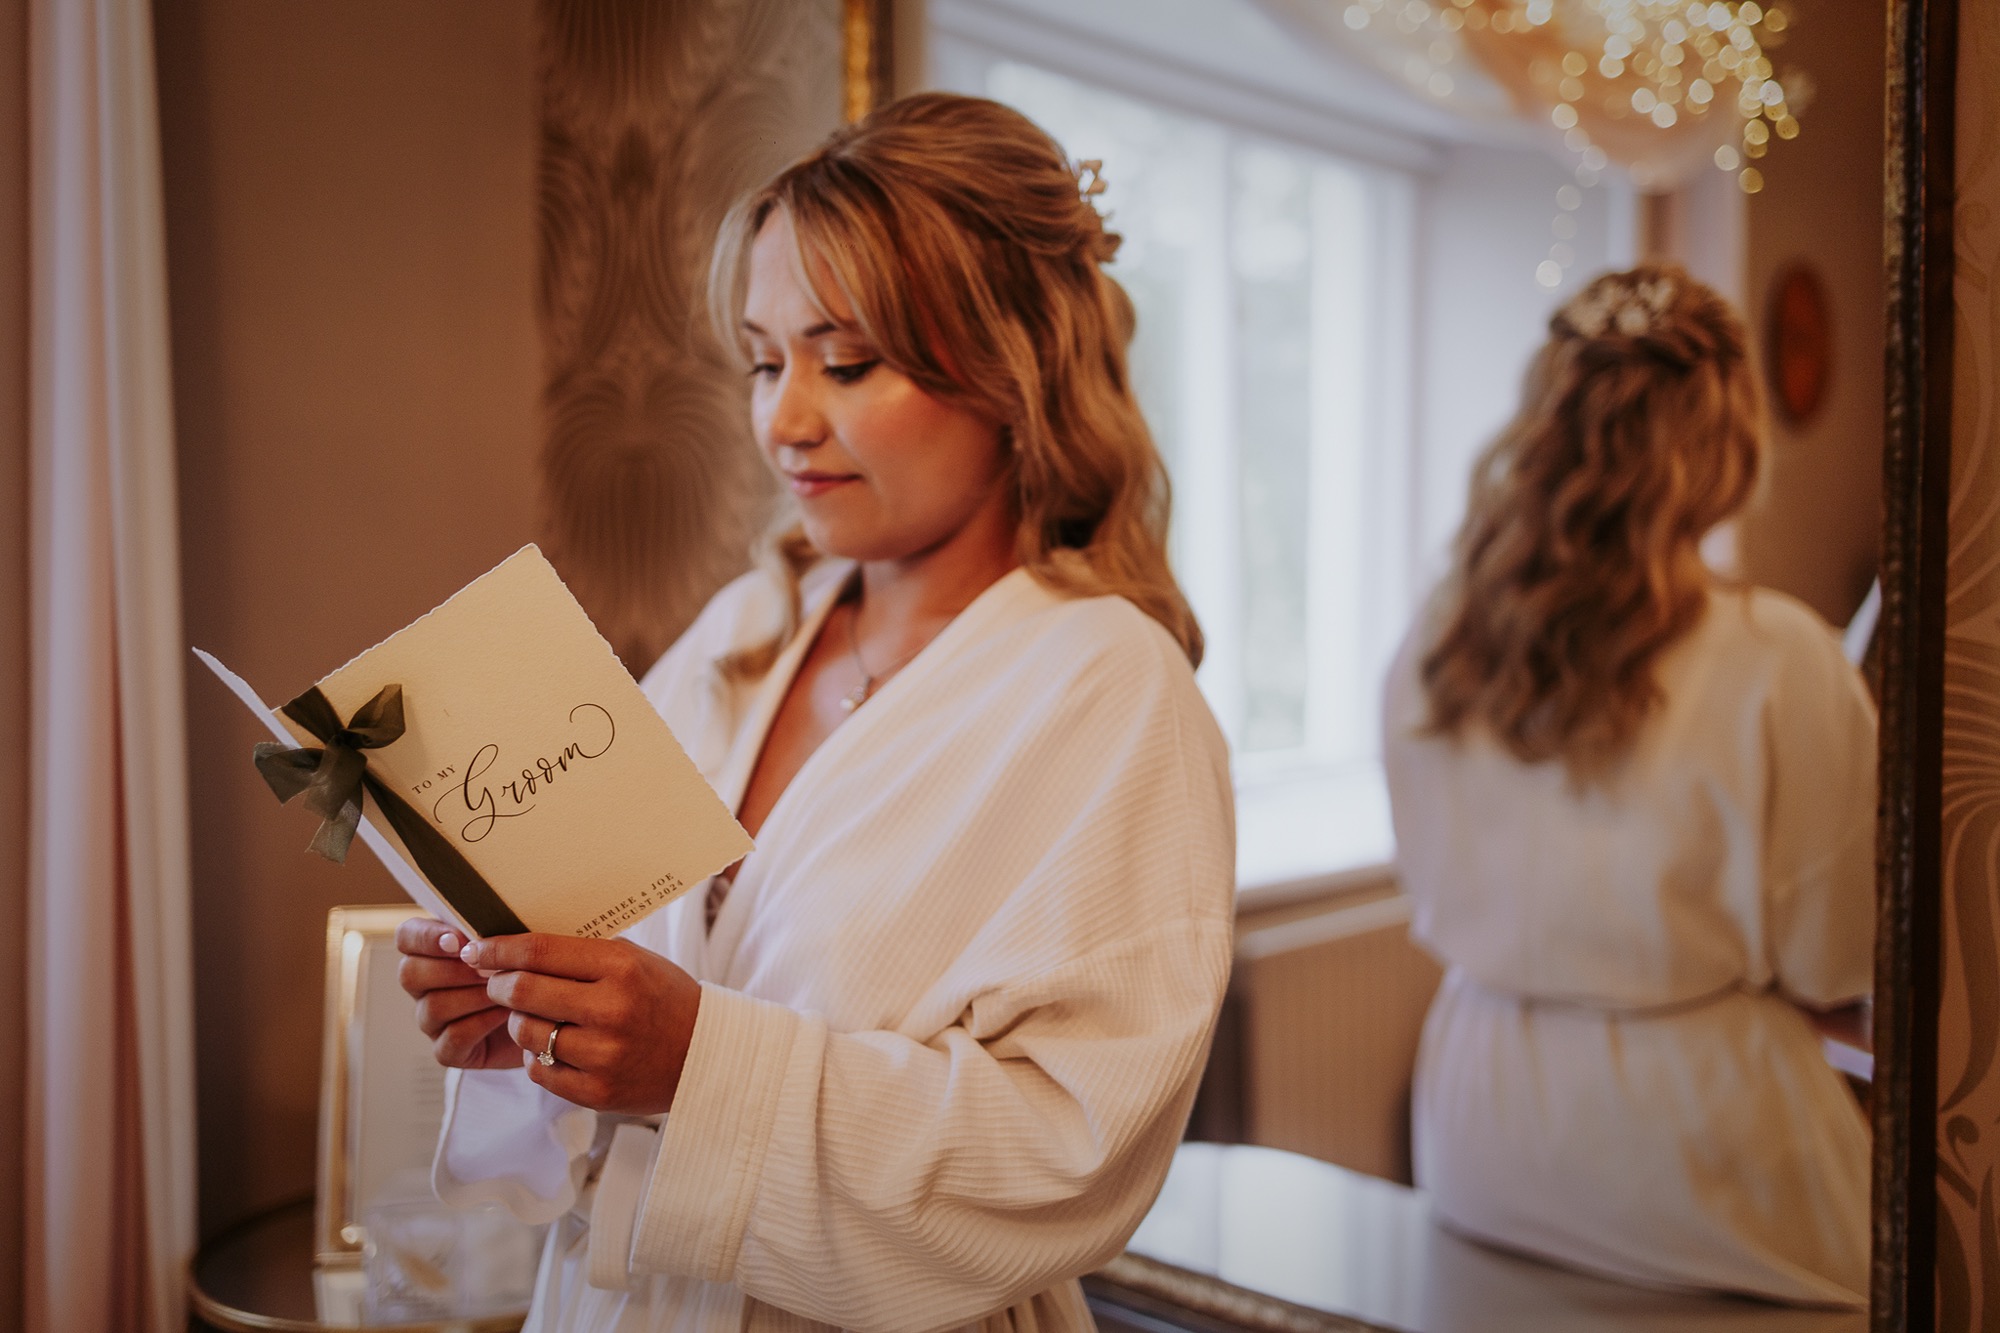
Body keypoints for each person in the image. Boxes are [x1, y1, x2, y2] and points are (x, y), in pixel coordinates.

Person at [395, 93, 1235, 1332]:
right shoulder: (743, 633)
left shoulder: (1105, 692)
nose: (783, 421)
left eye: (846, 362)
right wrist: (531, 1013)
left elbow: (1071, 1149)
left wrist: (701, 1064)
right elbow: (634, 999)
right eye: (761, 359)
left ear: (1011, 369)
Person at [1382, 264, 1875, 1307]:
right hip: (1696, 1135)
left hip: (1483, 1112)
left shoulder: (1441, 643)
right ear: (1724, 440)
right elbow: (1835, 958)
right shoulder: (1779, 657)